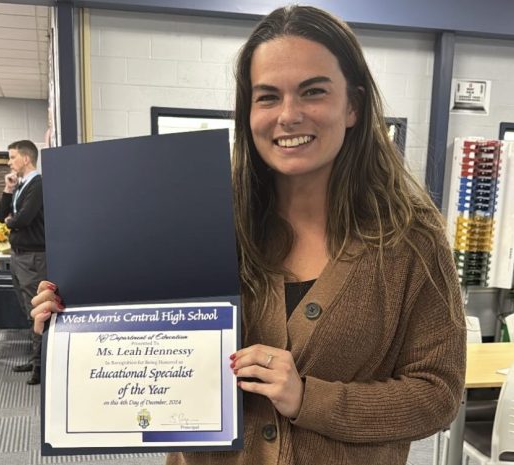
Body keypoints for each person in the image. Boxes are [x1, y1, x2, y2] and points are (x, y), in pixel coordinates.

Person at [30, 5, 466, 464]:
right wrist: (74, 319)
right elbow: (143, 336)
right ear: (248, 111)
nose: (289, 115)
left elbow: (437, 395)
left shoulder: (410, 239)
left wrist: (308, 399)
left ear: (353, 104)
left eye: (313, 92)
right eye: (267, 97)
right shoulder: (198, 217)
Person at [0, 140, 46, 385]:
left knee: (37, 310)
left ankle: (40, 366)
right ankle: (35, 357)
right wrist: (8, 190)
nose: (9, 162)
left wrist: (10, 221)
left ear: (25, 159)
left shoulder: (38, 184)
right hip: (18, 256)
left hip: (33, 257)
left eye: (12, 157)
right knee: (28, 310)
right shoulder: (19, 185)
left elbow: (23, 218)